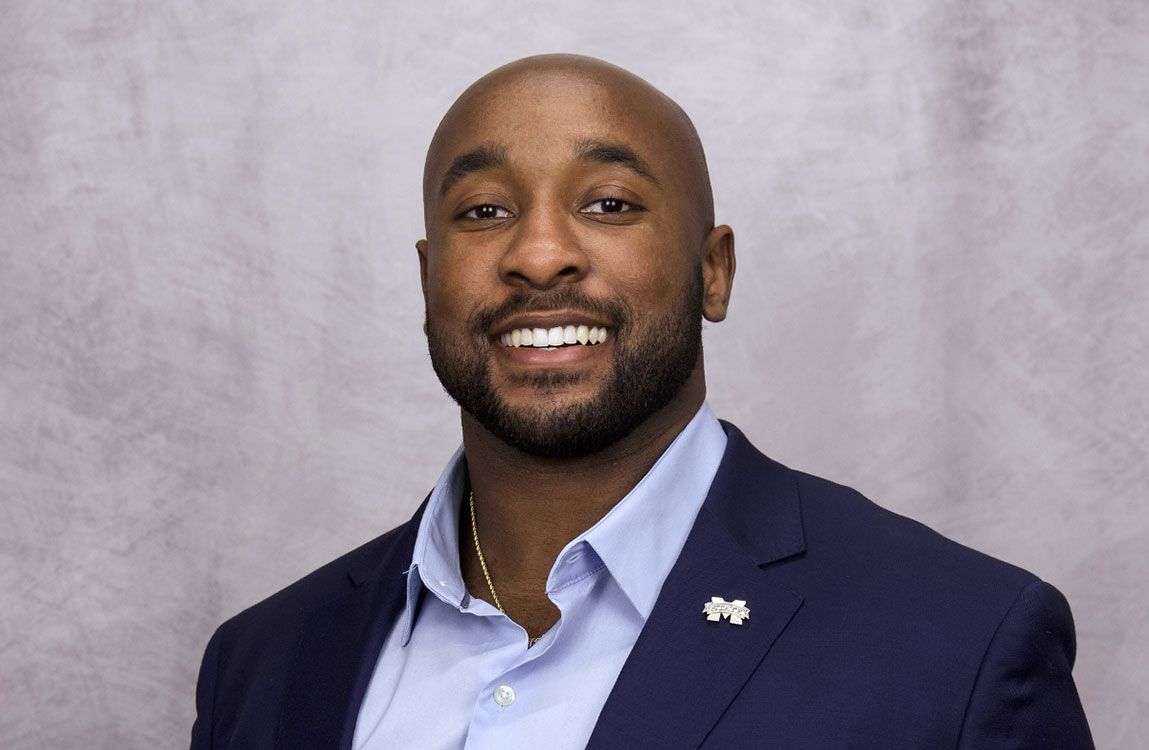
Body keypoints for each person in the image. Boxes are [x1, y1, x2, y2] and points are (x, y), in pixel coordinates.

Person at [190, 54, 1093, 749]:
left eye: (610, 202)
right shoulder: (261, 663)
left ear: (713, 271)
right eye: (483, 212)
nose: (539, 255)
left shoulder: (958, 644)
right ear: (429, 280)